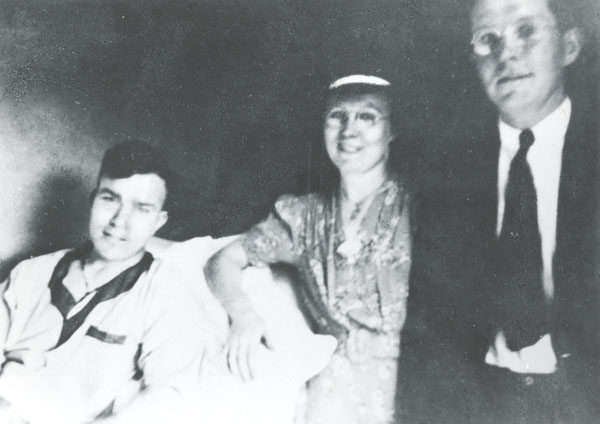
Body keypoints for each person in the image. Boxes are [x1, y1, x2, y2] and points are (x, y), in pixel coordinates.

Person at [400, 0, 600, 423]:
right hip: (479, 402)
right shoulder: (445, 173)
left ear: (568, 47)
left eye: (526, 31)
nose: (505, 53)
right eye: (487, 39)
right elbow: (431, 329)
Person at [205, 74, 412, 424]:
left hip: (411, 386)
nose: (349, 130)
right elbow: (223, 260)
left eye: (367, 116)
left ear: (391, 132)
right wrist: (244, 315)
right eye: (337, 116)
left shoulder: (418, 209)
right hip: (333, 392)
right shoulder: (304, 216)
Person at [0, 140, 206, 424]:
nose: (119, 220)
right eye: (110, 198)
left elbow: (169, 397)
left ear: (159, 221)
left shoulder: (167, 295)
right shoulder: (31, 273)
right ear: (93, 200)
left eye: (141, 208)